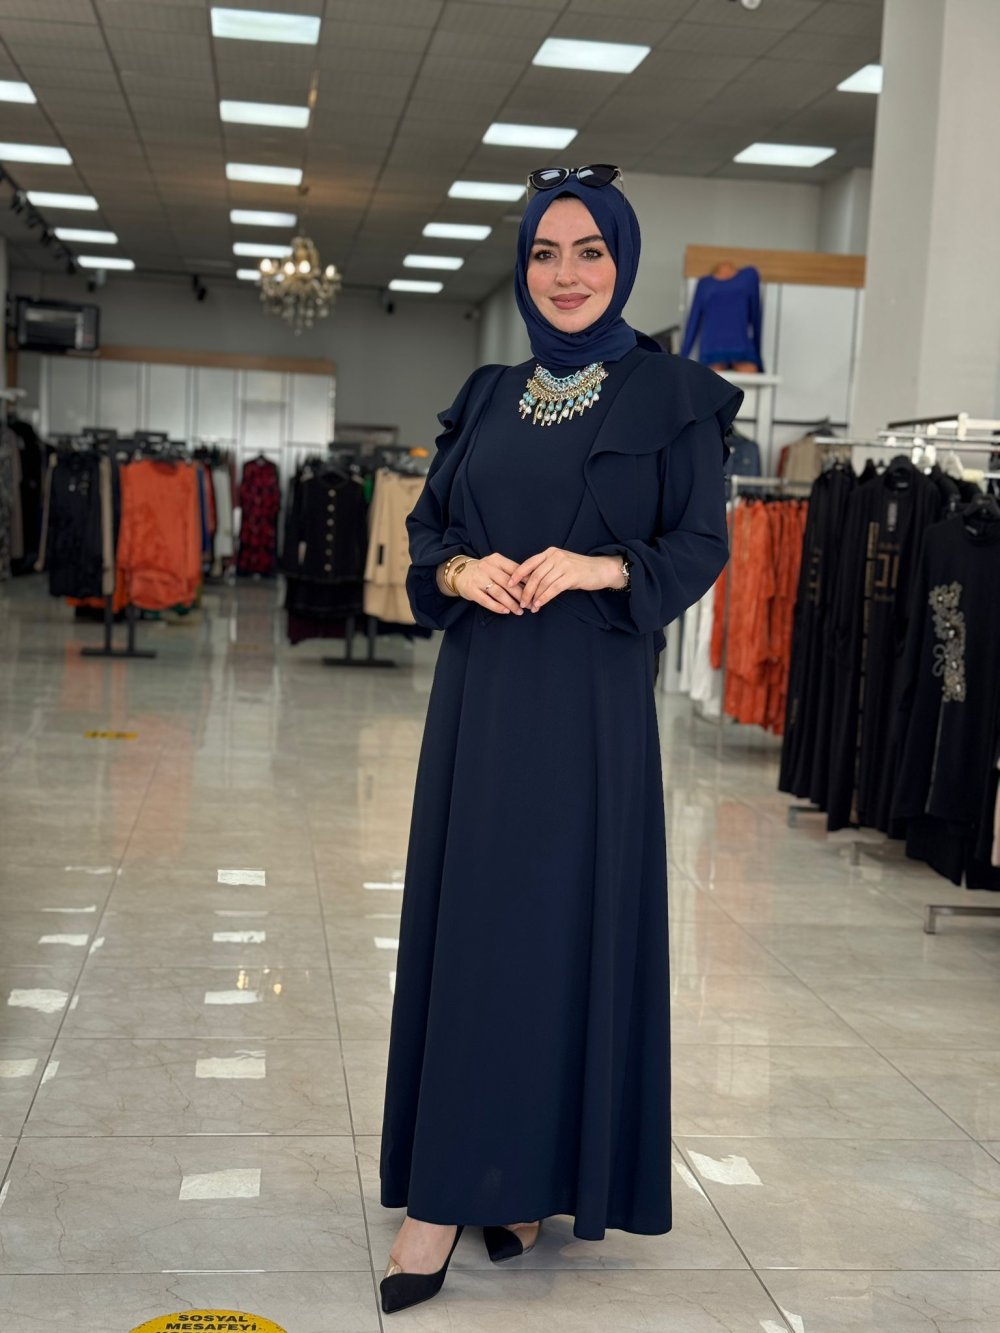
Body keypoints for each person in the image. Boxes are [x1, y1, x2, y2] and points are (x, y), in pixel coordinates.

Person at [378, 164, 743, 1316]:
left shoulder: (672, 393)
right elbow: (428, 529)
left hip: (590, 707)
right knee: (476, 929)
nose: (567, 273)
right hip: (482, 701)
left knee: (558, 935)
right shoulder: (487, 393)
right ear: (523, 266)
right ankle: (443, 1194)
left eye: (589, 251)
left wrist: (600, 567)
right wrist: (457, 571)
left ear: (620, 262)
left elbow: (699, 545)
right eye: (545, 251)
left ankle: (524, 1176)